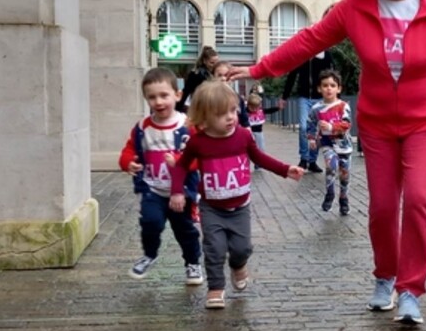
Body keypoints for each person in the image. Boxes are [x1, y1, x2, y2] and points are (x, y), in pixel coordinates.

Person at [227, 0, 426, 327]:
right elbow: (309, 40)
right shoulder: (356, 7)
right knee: (384, 207)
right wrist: (259, 68)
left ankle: (411, 291)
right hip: (378, 124)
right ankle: (385, 277)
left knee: (420, 200)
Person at [170, 80, 304, 309]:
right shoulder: (198, 142)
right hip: (211, 207)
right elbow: (182, 166)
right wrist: (177, 192)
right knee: (214, 248)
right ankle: (215, 288)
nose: (231, 117)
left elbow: (259, 157)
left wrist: (285, 169)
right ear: (204, 117)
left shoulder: (243, 136)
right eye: (222, 114)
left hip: (240, 207)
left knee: (242, 248)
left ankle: (238, 265)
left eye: (233, 110)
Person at [118, 68, 203, 285]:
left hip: (181, 192)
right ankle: (149, 254)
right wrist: (128, 162)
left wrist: (182, 163)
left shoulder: (187, 125)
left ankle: (192, 263)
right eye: (152, 97)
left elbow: (201, 156)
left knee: (185, 230)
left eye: (164, 95)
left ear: (177, 94)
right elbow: (129, 150)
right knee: (150, 222)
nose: (158, 101)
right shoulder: (142, 127)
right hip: (152, 189)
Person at [307, 69, 354, 216]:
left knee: (344, 176)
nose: (329, 88)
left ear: (338, 88)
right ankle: (330, 193)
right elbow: (310, 123)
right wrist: (311, 138)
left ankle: (343, 198)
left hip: (344, 146)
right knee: (331, 166)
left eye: (333, 85)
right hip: (327, 143)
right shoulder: (316, 108)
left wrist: (332, 127)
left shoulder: (343, 106)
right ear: (319, 88)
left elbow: (347, 124)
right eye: (325, 85)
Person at [280, 51, 335, 173]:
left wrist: (336, 98)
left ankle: (312, 161)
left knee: (316, 129)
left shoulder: (326, 54)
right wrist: (284, 97)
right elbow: (292, 75)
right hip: (304, 97)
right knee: (304, 127)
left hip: (320, 97)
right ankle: (304, 159)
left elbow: (333, 75)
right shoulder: (301, 54)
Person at [177, 46, 219, 112]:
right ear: (205, 61)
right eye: (212, 63)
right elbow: (186, 91)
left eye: (216, 62)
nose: (215, 65)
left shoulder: (214, 72)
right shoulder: (197, 74)